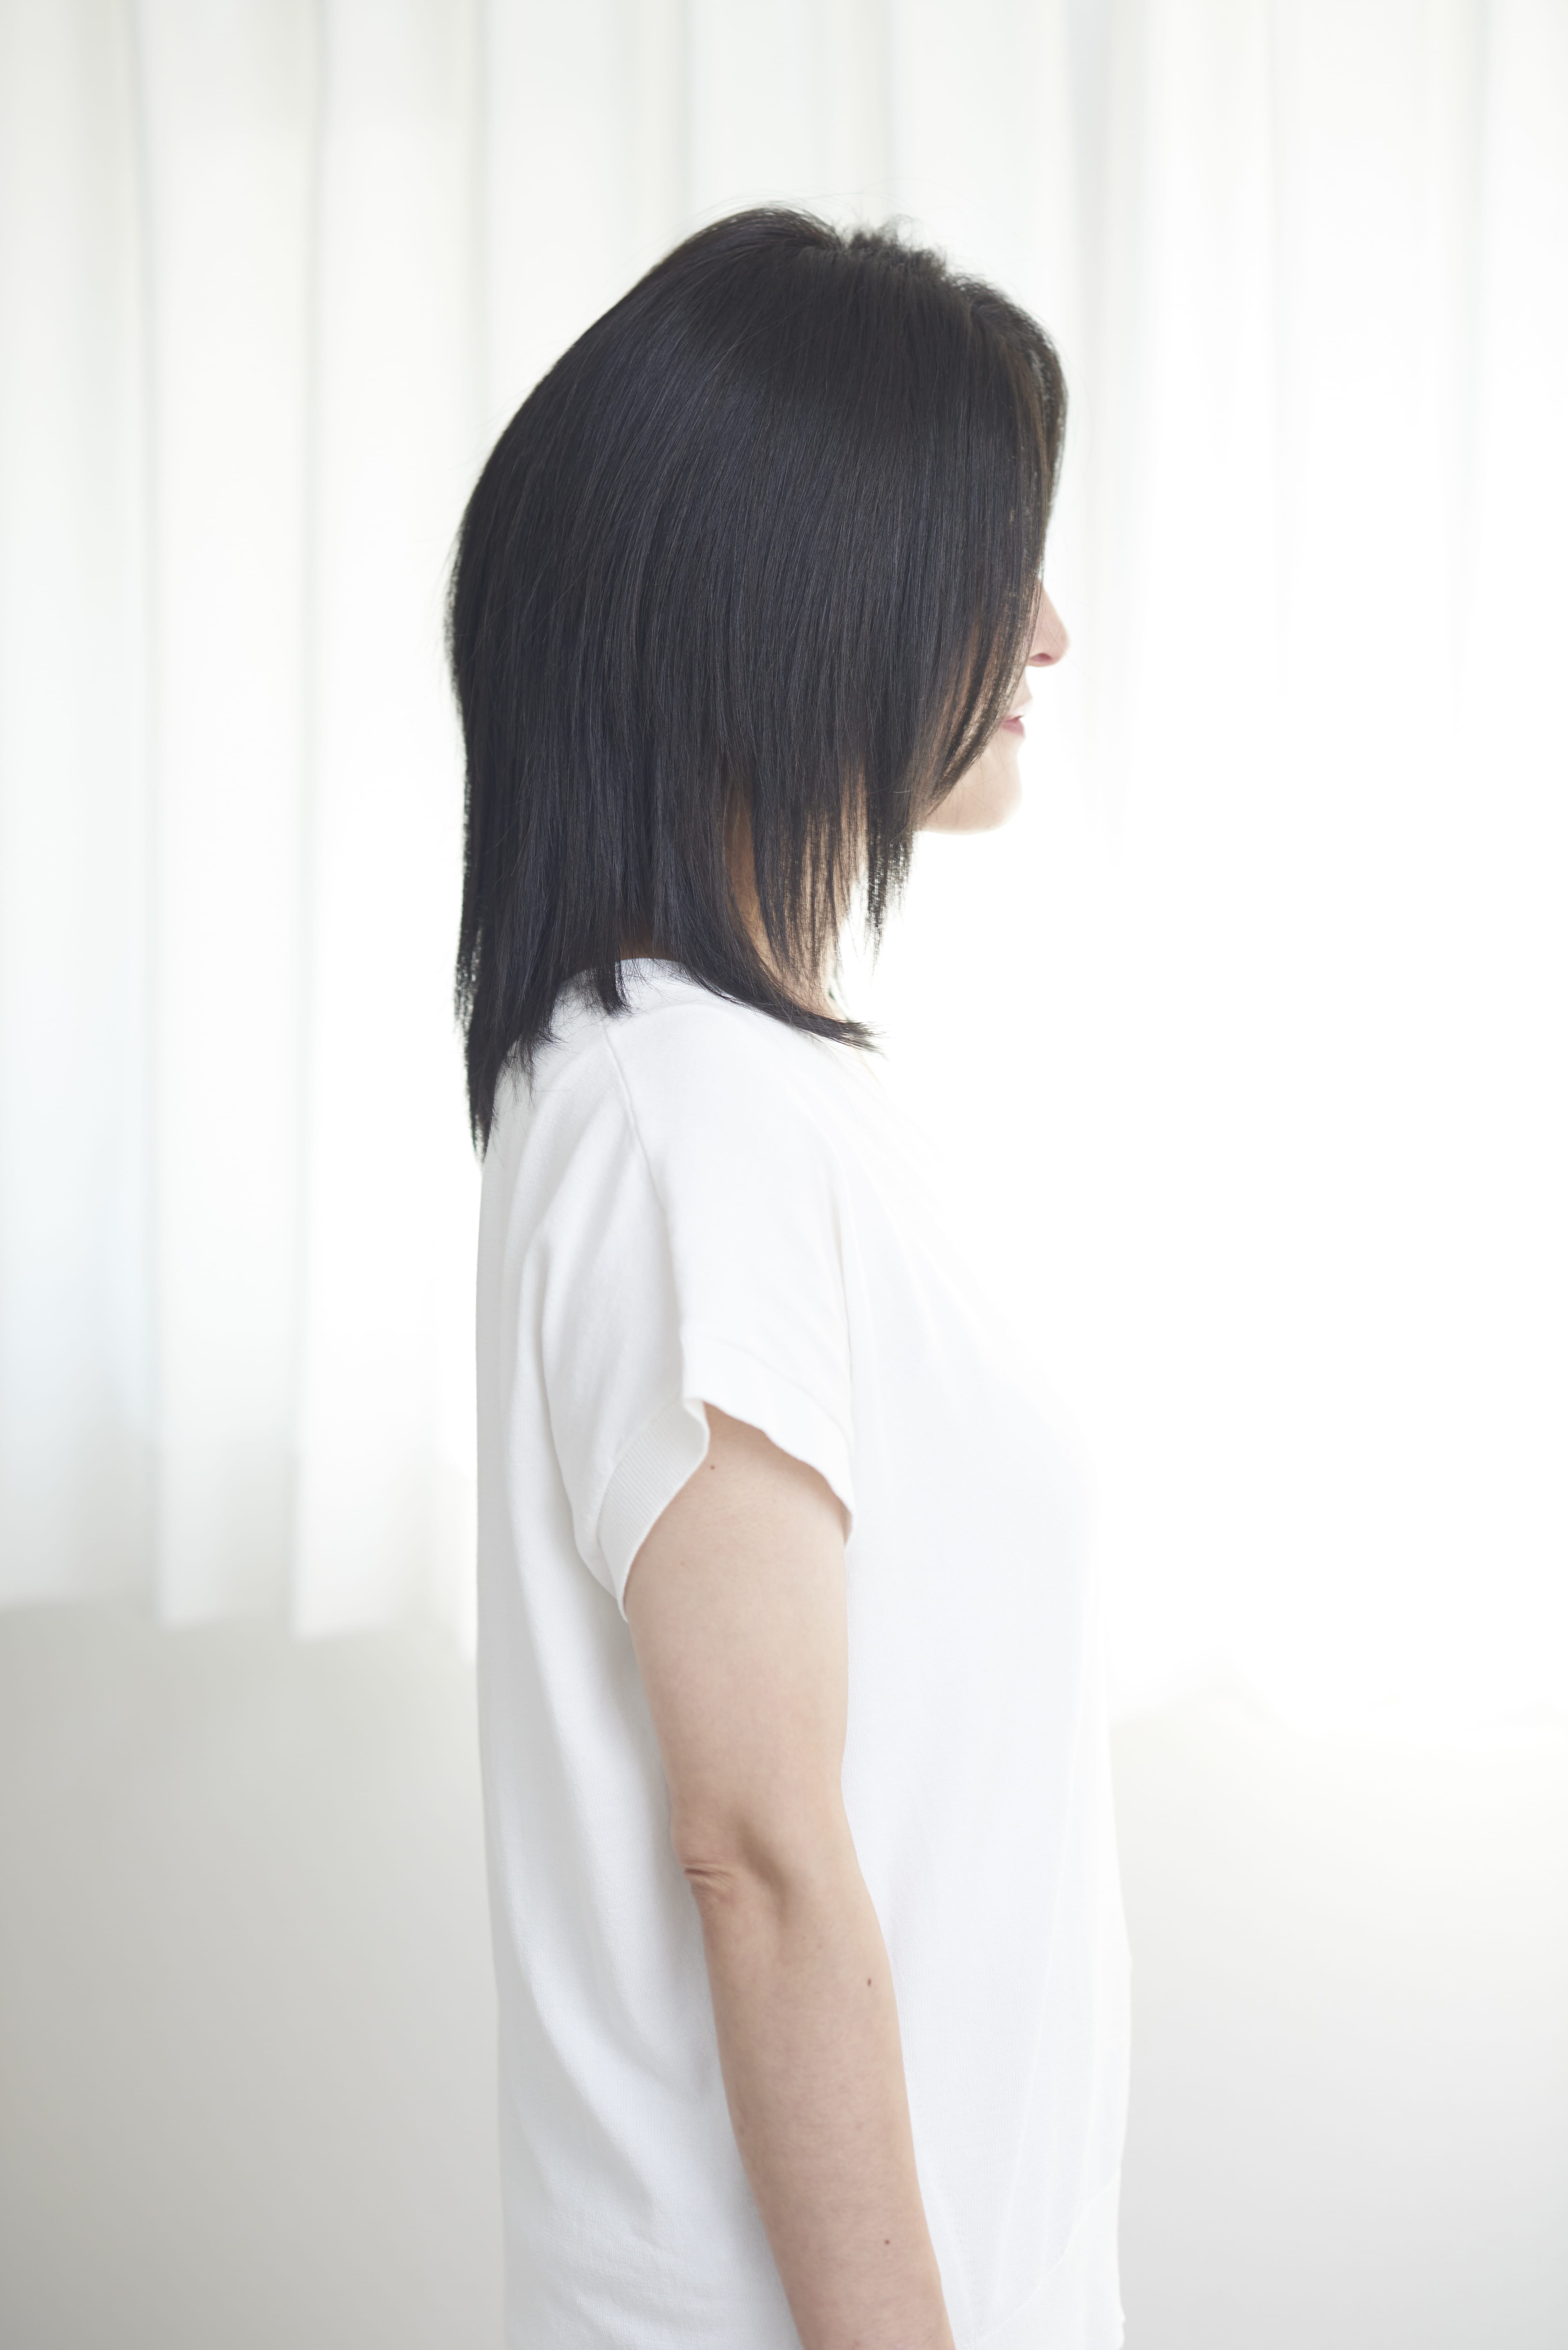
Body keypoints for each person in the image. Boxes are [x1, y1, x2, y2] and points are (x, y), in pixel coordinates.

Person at [448, 207, 1129, 2350]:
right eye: (988, 562)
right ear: (802, 592)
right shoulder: (686, 1115)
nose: (1047, 628)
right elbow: (751, 1848)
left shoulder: (729, 1091)